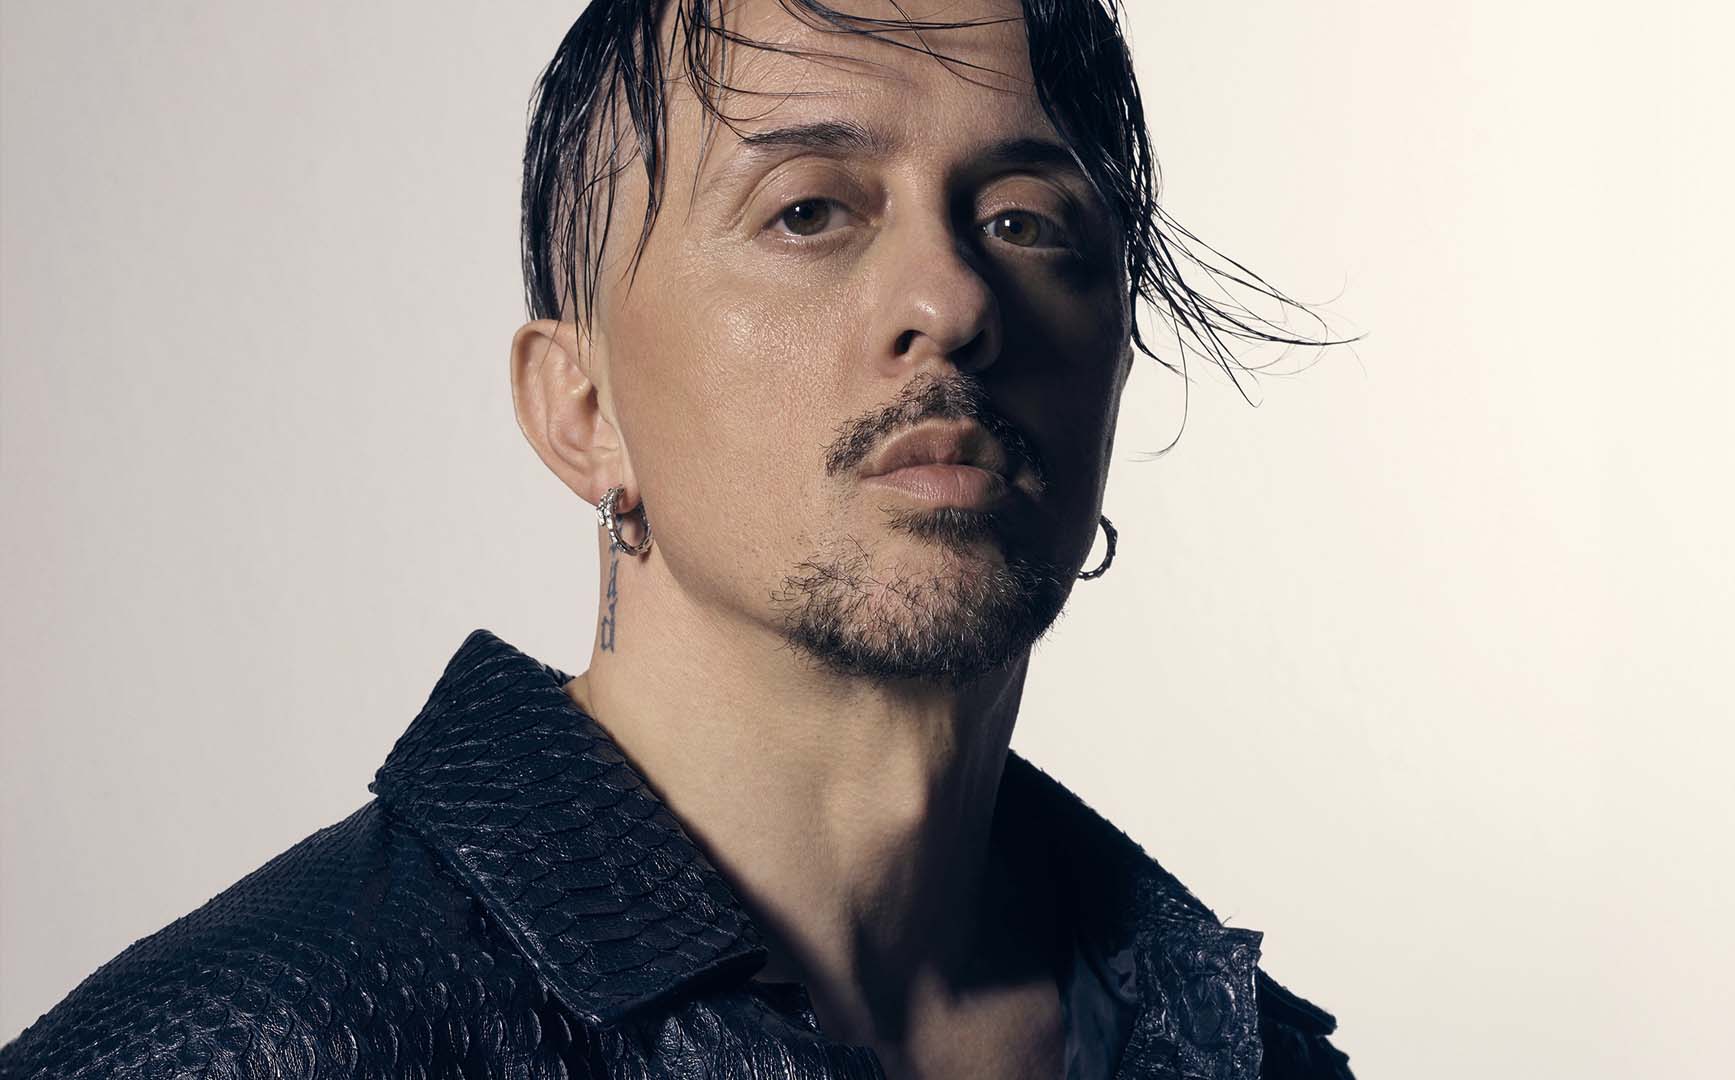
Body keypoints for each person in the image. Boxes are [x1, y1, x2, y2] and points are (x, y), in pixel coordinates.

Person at [1, 0, 1355, 1076]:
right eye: (809, 211)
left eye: (1024, 220)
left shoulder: (1243, 1044)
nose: (951, 300)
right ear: (583, 411)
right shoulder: (267, 1043)